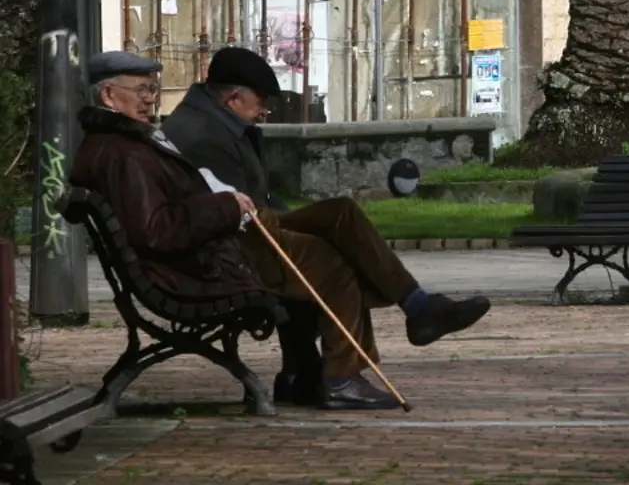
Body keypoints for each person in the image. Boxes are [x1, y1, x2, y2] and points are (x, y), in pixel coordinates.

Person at [71, 51, 491, 410]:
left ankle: (418, 309)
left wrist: (222, 202)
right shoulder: (128, 151)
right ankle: (340, 378)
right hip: (218, 249)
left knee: (341, 214)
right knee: (329, 260)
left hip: (231, 227)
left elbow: (184, 198)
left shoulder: (132, 141)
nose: (150, 99)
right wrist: (222, 204)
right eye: (141, 90)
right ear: (109, 94)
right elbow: (156, 229)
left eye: (152, 89)